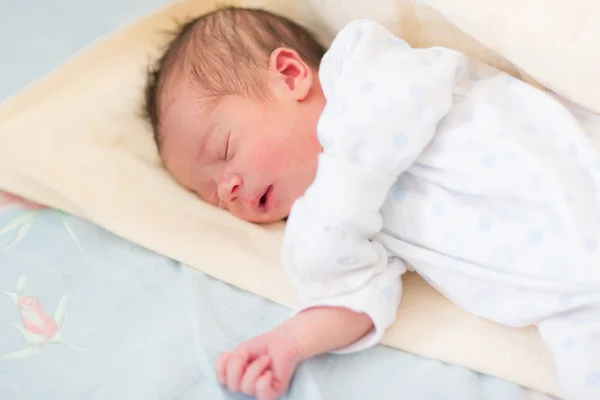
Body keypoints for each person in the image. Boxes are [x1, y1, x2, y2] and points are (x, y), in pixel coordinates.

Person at [144, 6, 600, 400]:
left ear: (290, 75)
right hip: (567, 299)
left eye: (224, 150)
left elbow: (415, 88)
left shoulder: (361, 69)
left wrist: (339, 198)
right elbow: (353, 295)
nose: (227, 190)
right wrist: (290, 342)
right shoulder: (341, 222)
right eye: (213, 196)